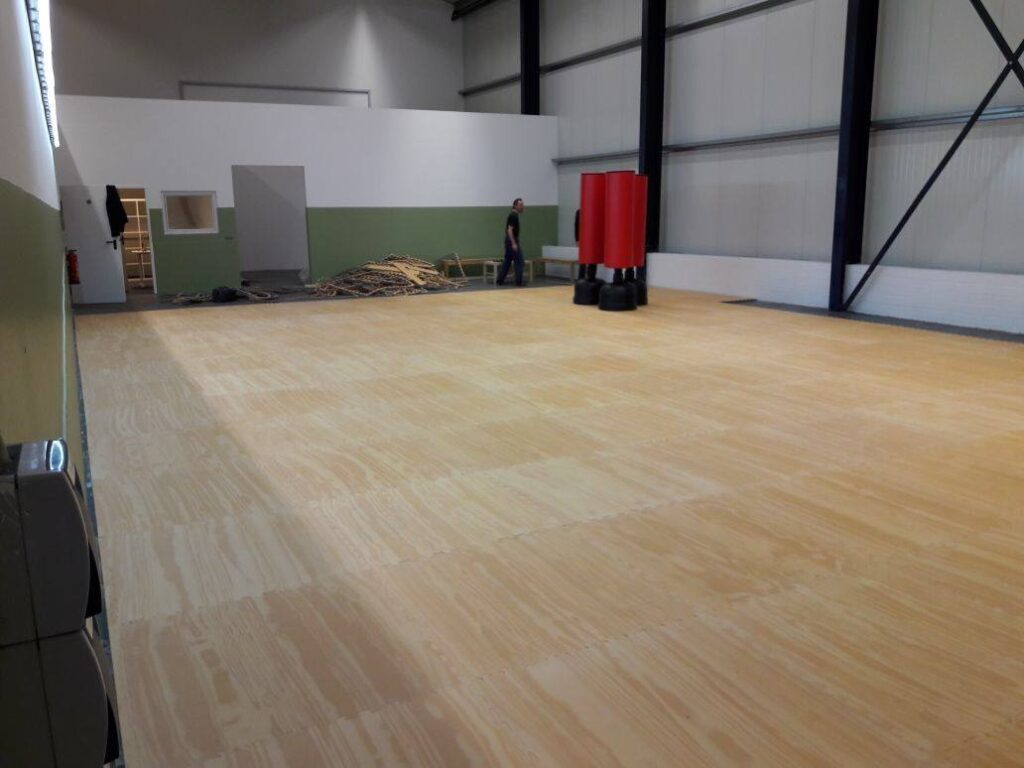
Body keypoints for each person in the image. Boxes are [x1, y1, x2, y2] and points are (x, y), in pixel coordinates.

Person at [497, 198, 525, 286]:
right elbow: (509, 230)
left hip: (508, 241)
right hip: (512, 241)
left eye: (522, 205)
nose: (522, 207)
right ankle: (519, 282)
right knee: (519, 261)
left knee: (507, 261)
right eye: (520, 205)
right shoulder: (513, 216)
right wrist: (513, 243)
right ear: (515, 206)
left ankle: (500, 280)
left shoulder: (514, 215)